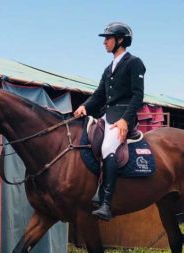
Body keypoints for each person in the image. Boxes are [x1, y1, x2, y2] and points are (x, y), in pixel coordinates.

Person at [74, 22, 146, 221]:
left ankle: (106, 203)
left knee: (107, 147)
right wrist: (85, 106)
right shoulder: (108, 68)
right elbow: (99, 94)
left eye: (108, 38)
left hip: (123, 118)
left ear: (120, 40)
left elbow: (138, 96)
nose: (104, 42)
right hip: (107, 116)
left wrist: (125, 120)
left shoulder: (134, 62)